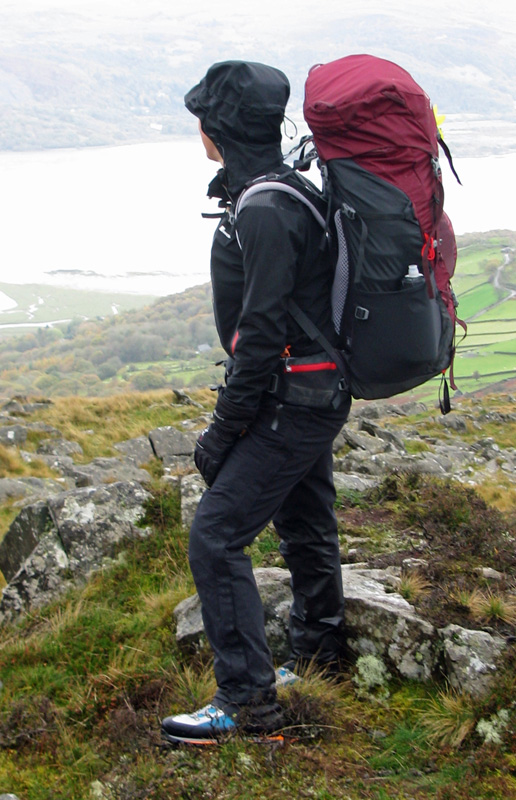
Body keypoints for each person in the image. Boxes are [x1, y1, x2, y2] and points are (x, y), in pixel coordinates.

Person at [161, 60, 351, 745]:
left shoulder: (266, 208)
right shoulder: (280, 191)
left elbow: (263, 332)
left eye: (201, 124)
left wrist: (223, 431)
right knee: (305, 519)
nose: (199, 135)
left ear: (218, 129)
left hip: (292, 398)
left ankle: (248, 704)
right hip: (312, 391)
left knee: (214, 536)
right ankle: (323, 655)